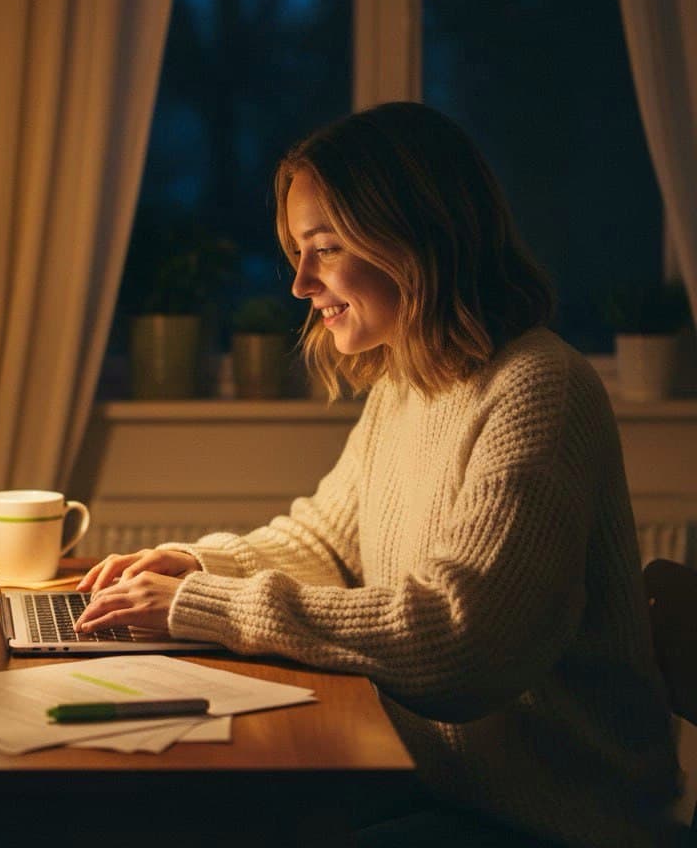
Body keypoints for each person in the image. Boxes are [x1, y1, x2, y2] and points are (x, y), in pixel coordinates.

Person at [74, 102, 683, 847]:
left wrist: (204, 604)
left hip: (557, 824)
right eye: (299, 251)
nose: (300, 283)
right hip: (442, 792)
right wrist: (197, 564)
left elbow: (463, 643)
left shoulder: (539, 386)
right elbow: (328, 544)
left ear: (418, 240)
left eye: (325, 248)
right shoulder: (409, 383)